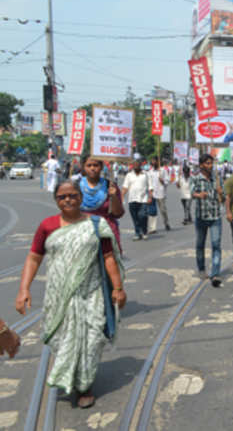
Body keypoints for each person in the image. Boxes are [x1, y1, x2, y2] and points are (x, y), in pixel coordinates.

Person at [15, 180, 125, 408]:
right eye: (62, 197)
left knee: (91, 339)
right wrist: (24, 288)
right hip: (59, 296)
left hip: (91, 292)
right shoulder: (47, 226)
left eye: (73, 195)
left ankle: (85, 385)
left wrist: (118, 288)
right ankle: (73, 379)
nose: (68, 200)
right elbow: (34, 257)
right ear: (56, 200)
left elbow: (108, 258)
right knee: (64, 339)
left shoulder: (96, 224)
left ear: (81, 197)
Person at [78, 155, 125, 252]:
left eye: (95, 165)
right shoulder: (75, 186)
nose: (92, 168)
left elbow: (118, 213)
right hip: (83, 234)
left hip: (107, 234)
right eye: (89, 165)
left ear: (101, 166)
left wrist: (113, 196)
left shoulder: (110, 186)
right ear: (83, 167)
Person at [191, 154, 224, 287]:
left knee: (216, 245)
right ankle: (201, 269)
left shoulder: (217, 179)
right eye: (208, 163)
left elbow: (224, 198)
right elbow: (191, 193)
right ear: (201, 165)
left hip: (215, 216)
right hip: (202, 216)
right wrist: (199, 195)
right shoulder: (196, 178)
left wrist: (221, 192)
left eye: (211, 163)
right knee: (200, 244)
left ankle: (215, 272)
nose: (210, 166)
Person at [121, 159, 152, 241]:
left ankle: (144, 231)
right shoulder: (129, 175)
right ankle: (137, 233)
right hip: (132, 199)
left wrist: (150, 197)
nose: (135, 166)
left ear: (140, 165)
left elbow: (150, 187)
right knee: (135, 218)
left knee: (142, 216)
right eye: (134, 165)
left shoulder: (146, 174)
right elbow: (125, 187)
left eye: (137, 165)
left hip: (143, 199)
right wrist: (121, 196)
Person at [147, 159, 170, 233]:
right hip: (153, 193)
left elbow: (167, 180)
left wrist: (162, 181)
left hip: (161, 193)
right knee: (152, 211)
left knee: (163, 210)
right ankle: (152, 228)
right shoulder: (150, 172)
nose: (153, 162)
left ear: (158, 162)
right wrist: (150, 192)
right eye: (152, 161)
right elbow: (149, 182)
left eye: (154, 161)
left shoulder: (163, 170)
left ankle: (166, 223)